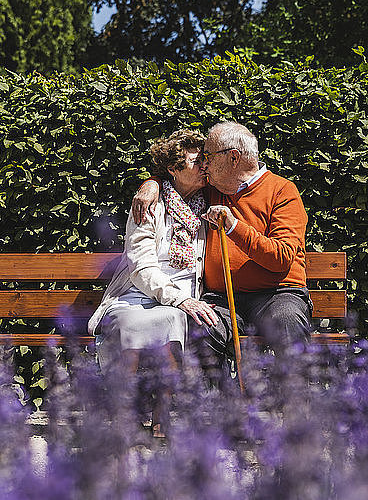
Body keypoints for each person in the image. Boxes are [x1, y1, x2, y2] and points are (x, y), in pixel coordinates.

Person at [132, 121, 311, 371]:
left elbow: (280, 258)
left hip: (276, 295)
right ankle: (220, 407)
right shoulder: (211, 189)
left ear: (233, 158)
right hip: (222, 299)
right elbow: (177, 176)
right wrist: (151, 183)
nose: (204, 164)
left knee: (288, 321)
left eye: (209, 156)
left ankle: (296, 408)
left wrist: (232, 226)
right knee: (199, 327)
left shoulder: (282, 190)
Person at [88, 129, 219, 436]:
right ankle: (126, 411)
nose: (205, 167)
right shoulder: (147, 206)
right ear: (173, 169)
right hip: (138, 292)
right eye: (196, 162)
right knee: (132, 321)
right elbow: (141, 266)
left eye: (205, 160)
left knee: (173, 318)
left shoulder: (209, 201)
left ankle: (163, 413)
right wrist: (153, 184)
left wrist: (153, 182)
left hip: (183, 297)